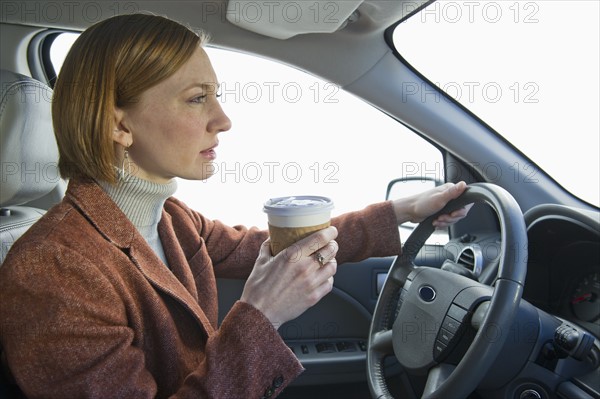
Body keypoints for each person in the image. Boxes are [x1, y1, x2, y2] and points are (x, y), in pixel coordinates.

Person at [0, 13, 470, 399]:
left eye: (216, 96)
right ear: (119, 125)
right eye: (196, 99)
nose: (223, 120)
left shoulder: (169, 220)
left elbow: (269, 245)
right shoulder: (50, 270)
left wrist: (403, 211)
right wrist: (262, 315)